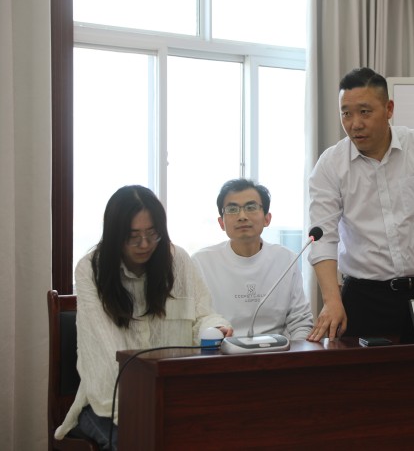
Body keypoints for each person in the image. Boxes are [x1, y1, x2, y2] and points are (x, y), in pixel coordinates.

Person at [54, 185, 232, 450]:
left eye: (152, 233)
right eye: (133, 236)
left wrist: (215, 327)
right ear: (115, 235)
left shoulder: (178, 261)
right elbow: (105, 355)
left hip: (173, 398)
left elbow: (202, 315)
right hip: (109, 404)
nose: (145, 244)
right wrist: (152, 403)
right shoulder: (91, 269)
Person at [306, 67, 414, 344]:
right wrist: (331, 300)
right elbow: (323, 238)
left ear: (389, 109)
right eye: (346, 113)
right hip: (363, 297)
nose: (355, 123)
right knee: (362, 372)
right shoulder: (330, 164)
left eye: (365, 112)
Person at [192, 178, 313, 340]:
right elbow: (197, 321)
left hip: (277, 351)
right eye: (232, 209)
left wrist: (296, 352)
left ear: (267, 218)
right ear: (221, 222)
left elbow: (301, 322)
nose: (242, 216)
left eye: (251, 207)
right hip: (222, 350)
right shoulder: (201, 262)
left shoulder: (286, 259)